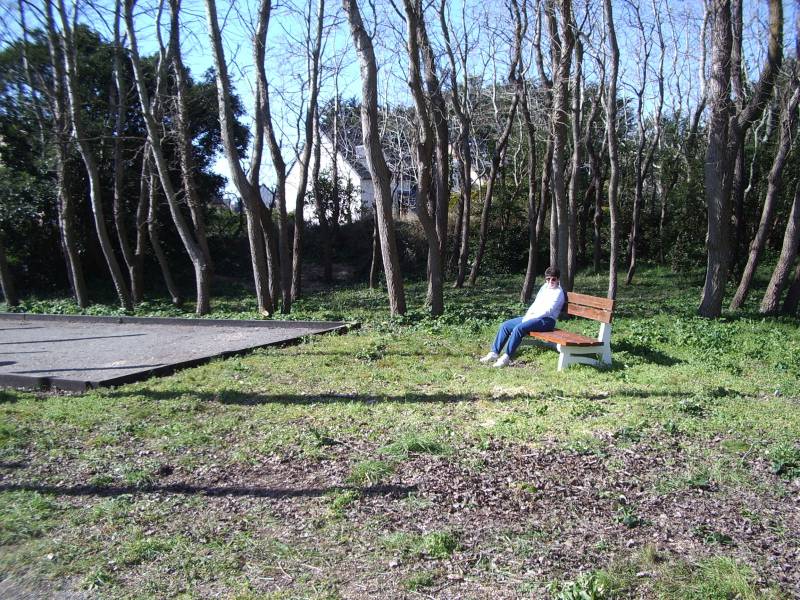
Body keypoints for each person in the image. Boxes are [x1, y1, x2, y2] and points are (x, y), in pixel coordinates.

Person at [480, 266, 565, 368]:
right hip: (533, 317)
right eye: (548, 279)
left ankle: (507, 357)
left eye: (553, 279)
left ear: (558, 279)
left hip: (547, 321)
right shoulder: (544, 288)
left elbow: (548, 311)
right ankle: (494, 353)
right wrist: (527, 316)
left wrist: (529, 319)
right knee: (505, 325)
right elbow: (536, 303)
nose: (550, 281)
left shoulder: (558, 292)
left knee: (519, 328)